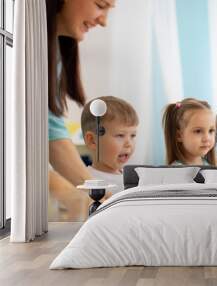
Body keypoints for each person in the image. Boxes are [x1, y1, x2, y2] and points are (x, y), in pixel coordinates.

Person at [46, 0, 115, 217]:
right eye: (100, 5)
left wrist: (98, 193)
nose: (103, 21)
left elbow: (51, 131)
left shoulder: (53, 51)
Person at [81, 96, 139, 194]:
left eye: (132, 135)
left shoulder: (134, 178)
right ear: (93, 141)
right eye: (120, 135)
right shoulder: (85, 181)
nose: (129, 143)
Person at [162, 98, 217, 166]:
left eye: (211, 131)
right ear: (179, 135)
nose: (207, 138)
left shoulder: (209, 165)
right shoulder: (176, 171)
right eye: (198, 131)